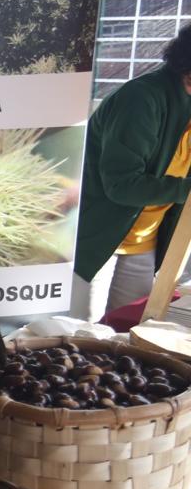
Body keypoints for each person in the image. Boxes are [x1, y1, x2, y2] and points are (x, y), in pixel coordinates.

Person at [72, 24, 191, 323]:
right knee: (79, 334)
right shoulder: (141, 99)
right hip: (97, 242)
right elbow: (122, 186)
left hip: (145, 243)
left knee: (126, 335)